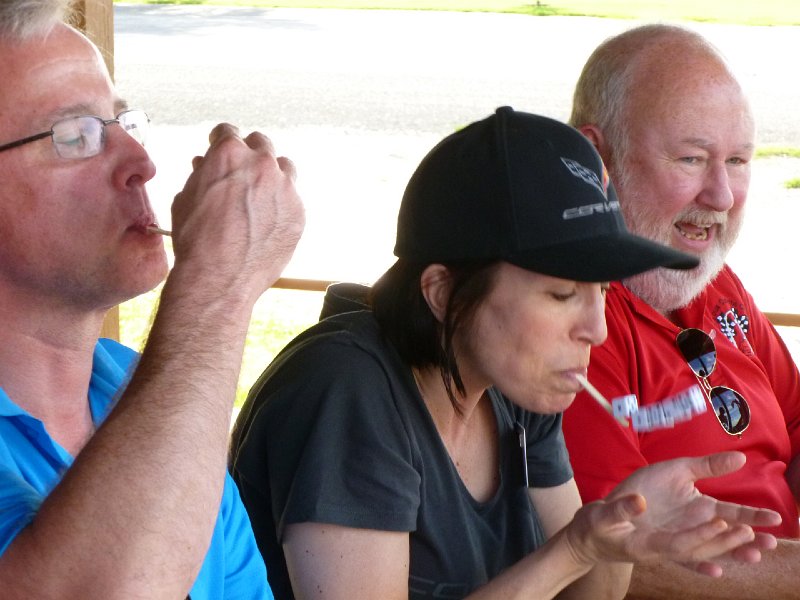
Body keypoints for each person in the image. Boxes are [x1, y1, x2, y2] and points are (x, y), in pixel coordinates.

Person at [229, 106, 782, 600]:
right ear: (443, 293)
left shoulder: (513, 388)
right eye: (563, 294)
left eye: (604, 293)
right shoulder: (349, 391)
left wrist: (615, 539)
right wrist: (575, 549)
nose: (596, 329)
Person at [0, 1, 304, 598]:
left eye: (121, 123)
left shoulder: (140, 385)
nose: (143, 164)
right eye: (75, 135)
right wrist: (218, 286)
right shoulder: (172, 392)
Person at [561, 23, 800, 598]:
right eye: (692, 159)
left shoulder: (712, 283)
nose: (721, 196)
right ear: (598, 157)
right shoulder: (568, 320)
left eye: (739, 161)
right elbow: (618, 556)